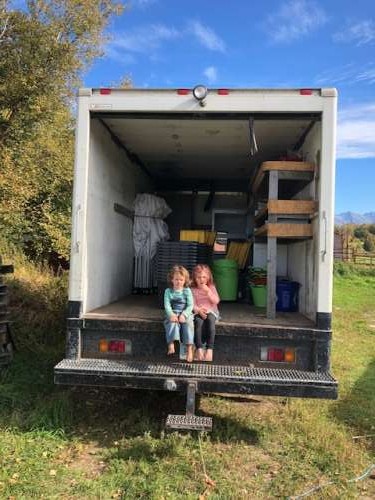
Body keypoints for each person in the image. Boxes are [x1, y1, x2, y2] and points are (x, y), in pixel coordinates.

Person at [164, 265, 194, 363]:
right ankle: (171, 344)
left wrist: (184, 315)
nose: (178, 282)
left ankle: (189, 348)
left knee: (188, 324)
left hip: (185, 312)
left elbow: (190, 305)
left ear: (185, 280)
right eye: (176, 279)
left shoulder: (187, 291)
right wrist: (171, 314)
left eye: (181, 280)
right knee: (171, 323)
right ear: (172, 280)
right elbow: (167, 305)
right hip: (173, 312)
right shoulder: (168, 291)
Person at [191, 264, 220, 362]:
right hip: (199, 311)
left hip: (211, 311)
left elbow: (216, 301)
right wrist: (198, 310)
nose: (201, 279)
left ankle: (209, 349)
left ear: (208, 278)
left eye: (204, 277)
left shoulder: (211, 287)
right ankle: (199, 348)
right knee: (198, 324)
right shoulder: (193, 290)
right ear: (195, 278)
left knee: (211, 323)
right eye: (198, 277)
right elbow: (192, 304)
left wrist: (208, 292)